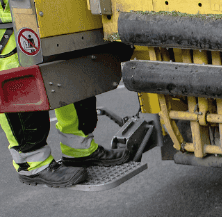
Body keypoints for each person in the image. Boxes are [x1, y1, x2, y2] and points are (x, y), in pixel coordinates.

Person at [1, 0, 128, 188]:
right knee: (19, 85)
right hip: (10, 19)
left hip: (49, 11)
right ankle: (33, 163)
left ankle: (79, 149)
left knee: (69, 72)